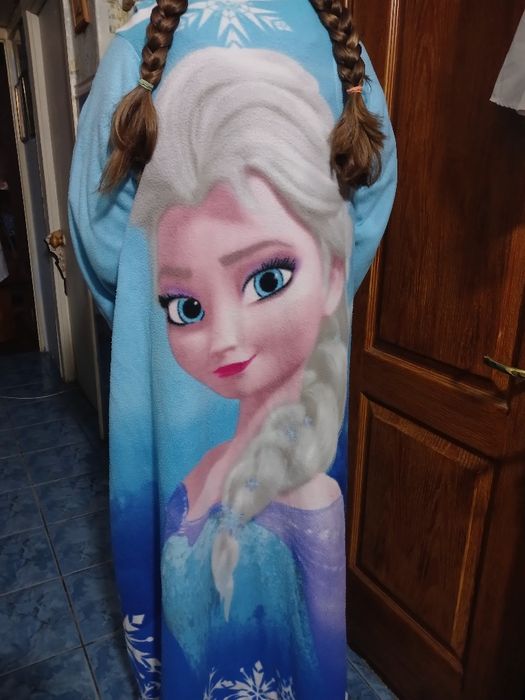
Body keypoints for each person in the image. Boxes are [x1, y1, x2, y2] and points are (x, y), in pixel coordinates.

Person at [68, 2, 397, 698]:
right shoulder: (341, 52)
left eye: (269, 277)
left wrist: (150, 327)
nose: (226, 339)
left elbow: (98, 235)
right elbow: (368, 204)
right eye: (188, 306)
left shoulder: (133, 50)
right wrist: (311, 305)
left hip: (168, 397)